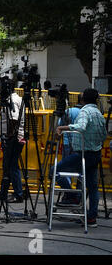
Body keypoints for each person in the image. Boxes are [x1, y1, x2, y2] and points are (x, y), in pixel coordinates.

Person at [53, 88, 107, 228]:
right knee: (93, 187)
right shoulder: (99, 114)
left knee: (54, 170)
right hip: (95, 154)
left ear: (83, 100)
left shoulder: (85, 111)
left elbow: (81, 127)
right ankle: (91, 218)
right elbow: (104, 135)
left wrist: (62, 128)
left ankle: (72, 196)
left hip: (82, 154)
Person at [0, 83, 26, 203]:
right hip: (12, 137)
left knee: (12, 166)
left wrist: (9, 137)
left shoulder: (12, 100)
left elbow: (14, 119)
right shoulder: (13, 99)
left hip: (13, 138)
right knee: (7, 166)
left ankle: (18, 194)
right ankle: (4, 192)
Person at [59, 93, 83, 158]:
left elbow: (59, 124)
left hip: (67, 143)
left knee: (66, 166)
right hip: (81, 145)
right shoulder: (85, 112)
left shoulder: (68, 111)